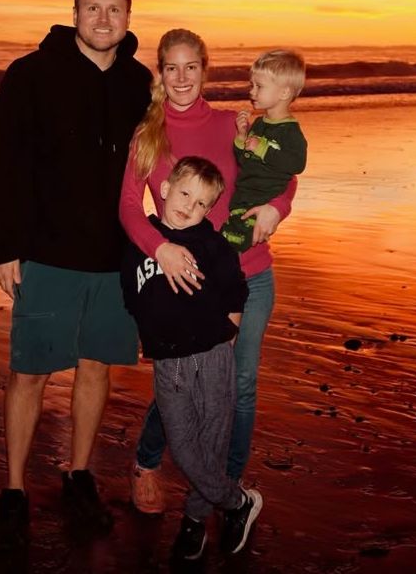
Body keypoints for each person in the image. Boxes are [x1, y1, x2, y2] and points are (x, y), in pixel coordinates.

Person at [0, 0, 152, 551]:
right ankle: (15, 491)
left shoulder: (138, 83)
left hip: (113, 256)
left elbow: (168, 159)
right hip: (45, 252)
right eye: (92, 8)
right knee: (29, 373)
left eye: (114, 9)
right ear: (74, 11)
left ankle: (79, 477)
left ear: (129, 16)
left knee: (97, 367)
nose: (103, 19)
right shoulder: (31, 75)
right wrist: (3, 245)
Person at [118, 29, 297, 516]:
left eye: (190, 67)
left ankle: (224, 489)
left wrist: (275, 210)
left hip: (250, 276)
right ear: (161, 72)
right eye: (171, 68)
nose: (181, 77)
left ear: (205, 69)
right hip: (184, 281)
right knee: (180, 383)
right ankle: (147, 461)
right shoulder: (148, 135)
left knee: (236, 386)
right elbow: (131, 208)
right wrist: (162, 251)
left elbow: (281, 174)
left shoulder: (230, 126)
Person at [121, 156, 261, 560]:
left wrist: (227, 338)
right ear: (164, 189)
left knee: (212, 440)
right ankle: (238, 503)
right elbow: (132, 295)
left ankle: (195, 521)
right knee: (183, 448)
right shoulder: (140, 240)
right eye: (184, 194)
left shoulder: (211, 243)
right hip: (169, 363)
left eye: (202, 203)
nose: (190, 207)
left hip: (213, 355)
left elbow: (236, 292)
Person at [221, 49, 308, 251]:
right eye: (252, 85)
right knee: (231, 232)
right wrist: (241, 138)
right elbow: (245, 161)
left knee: (236, 240)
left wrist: (263, 149)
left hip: (263, 195)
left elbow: (297, 164)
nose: (252, 92)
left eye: (259, 86)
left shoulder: (290, 131)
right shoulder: (259, 124)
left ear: (284, 93)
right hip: (244, 193)